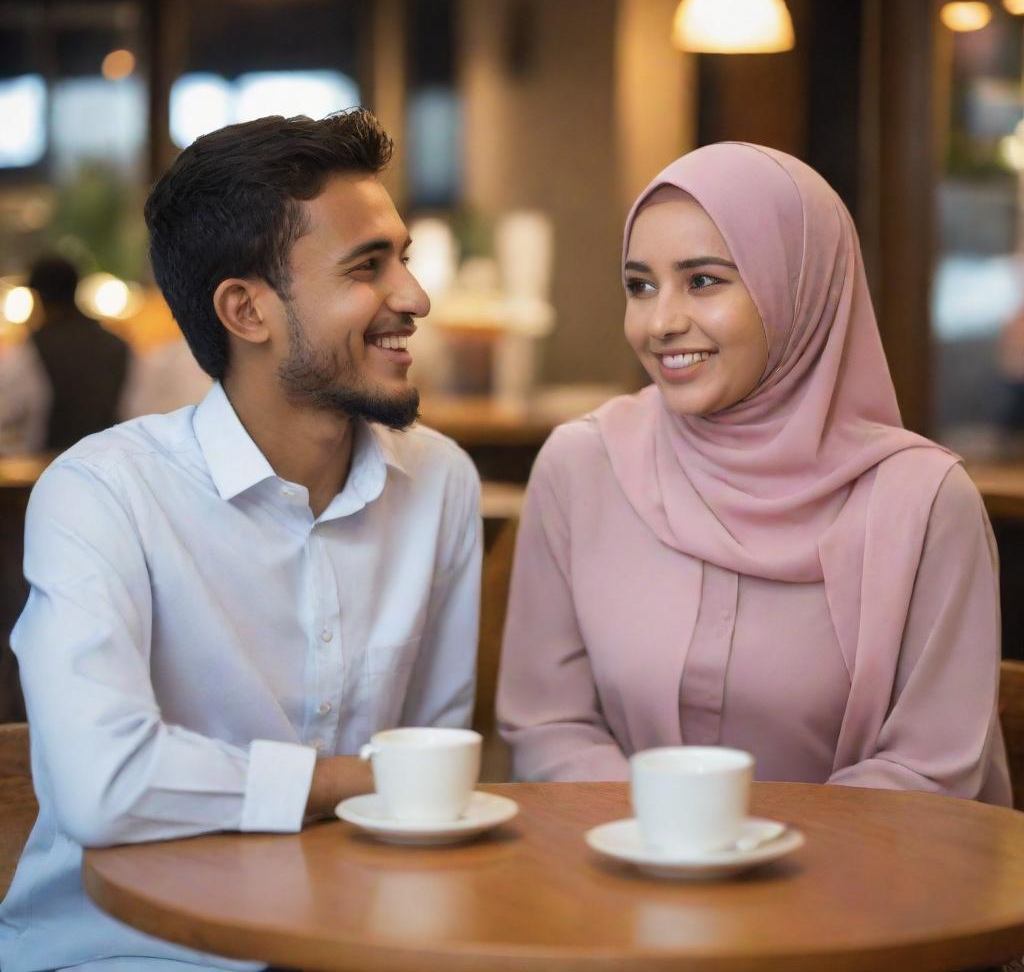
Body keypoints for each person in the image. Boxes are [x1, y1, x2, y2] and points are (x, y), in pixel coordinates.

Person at [0, 109, 482, 971]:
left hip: (351, 942)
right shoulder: (102, 492)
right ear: (246, 310)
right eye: (368, 267)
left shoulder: (440, 481)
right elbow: (100, 784)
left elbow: (429, 779)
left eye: (401, 257)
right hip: (121, 952)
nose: (413, 296)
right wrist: (335, 782)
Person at [497, 143, 1010, 803]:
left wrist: (747, 849)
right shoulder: (583, 465)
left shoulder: (925, 503)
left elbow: (929, 767)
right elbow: (548, 723)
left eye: (703, 280)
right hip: (621, 875)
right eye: (640, 285)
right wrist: (671, 839)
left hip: (860, 891)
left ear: (797, 287)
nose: (661, 322)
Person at [0, 255, 130, 454]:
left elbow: (9, 410)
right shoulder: (115, 344)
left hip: (49, 463)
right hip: (110, 459)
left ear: (38, 297)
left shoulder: (33, 348)